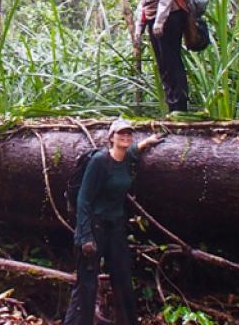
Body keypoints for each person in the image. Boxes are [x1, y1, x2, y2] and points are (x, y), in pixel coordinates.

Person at [63, 119, 164, 325]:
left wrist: (149, 141)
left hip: (115, 227)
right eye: (121, 134)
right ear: (111, 138)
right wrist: (85, 237)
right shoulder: (99, 161)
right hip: (94, 227)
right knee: (87, 285)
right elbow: (84, 199)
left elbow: (134, 150)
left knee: (123, 278)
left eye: (128, 134)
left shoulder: (126, 158)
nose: (125, 137)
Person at [131, 0, 189, 113]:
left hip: (170, 15)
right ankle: (172, 108)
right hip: (153, 17)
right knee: (163, 64)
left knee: (171, 60)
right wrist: (139, 28)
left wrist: (160, 20)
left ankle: (180, 109)